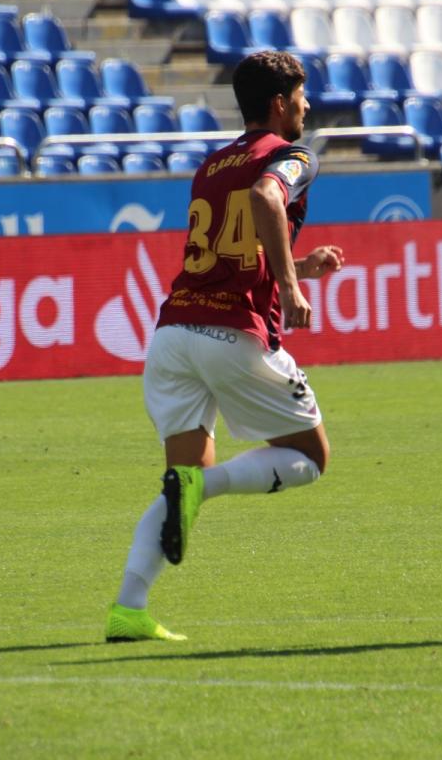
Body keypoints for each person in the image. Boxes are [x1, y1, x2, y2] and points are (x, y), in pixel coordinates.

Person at [104, 51, 345, 642]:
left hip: (173, 336)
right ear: (280, 103)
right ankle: (199, 487)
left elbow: (234, 247)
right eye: (302, 97)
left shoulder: (212, 164)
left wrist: (300, 267)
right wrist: (290, 288)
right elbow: (265, 201)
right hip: (232, 335)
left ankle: (129, 608)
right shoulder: (294, 156)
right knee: (311, 458)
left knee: (182, 479)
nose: (308, 107)